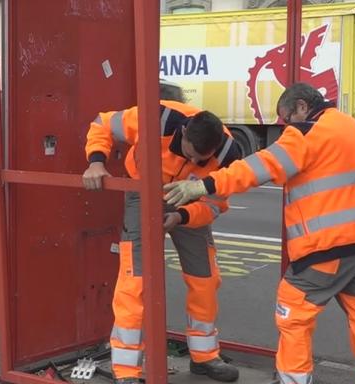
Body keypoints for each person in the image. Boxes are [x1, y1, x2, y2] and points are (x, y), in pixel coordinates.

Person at [163, 82, 355, 384]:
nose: (285, 125)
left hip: (326, 245)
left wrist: (203, 185)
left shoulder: (307, 132)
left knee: (293, 315)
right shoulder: (351, 126)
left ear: (301, 106)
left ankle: (293, 380)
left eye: (286, 117)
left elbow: (262, 166)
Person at [83, 81, 242, 383]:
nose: (195, 162)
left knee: (205, 279)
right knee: (135, 279)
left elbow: (216, 204)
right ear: (182, 133)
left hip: (189, 199)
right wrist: (96, 162)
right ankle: (127, 371)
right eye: (190, 154)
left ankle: (205, 356)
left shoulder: (227, 154)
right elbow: (102, 123)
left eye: (201, 160)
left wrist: (182, 216)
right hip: (141, 190)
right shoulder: (154, 118)